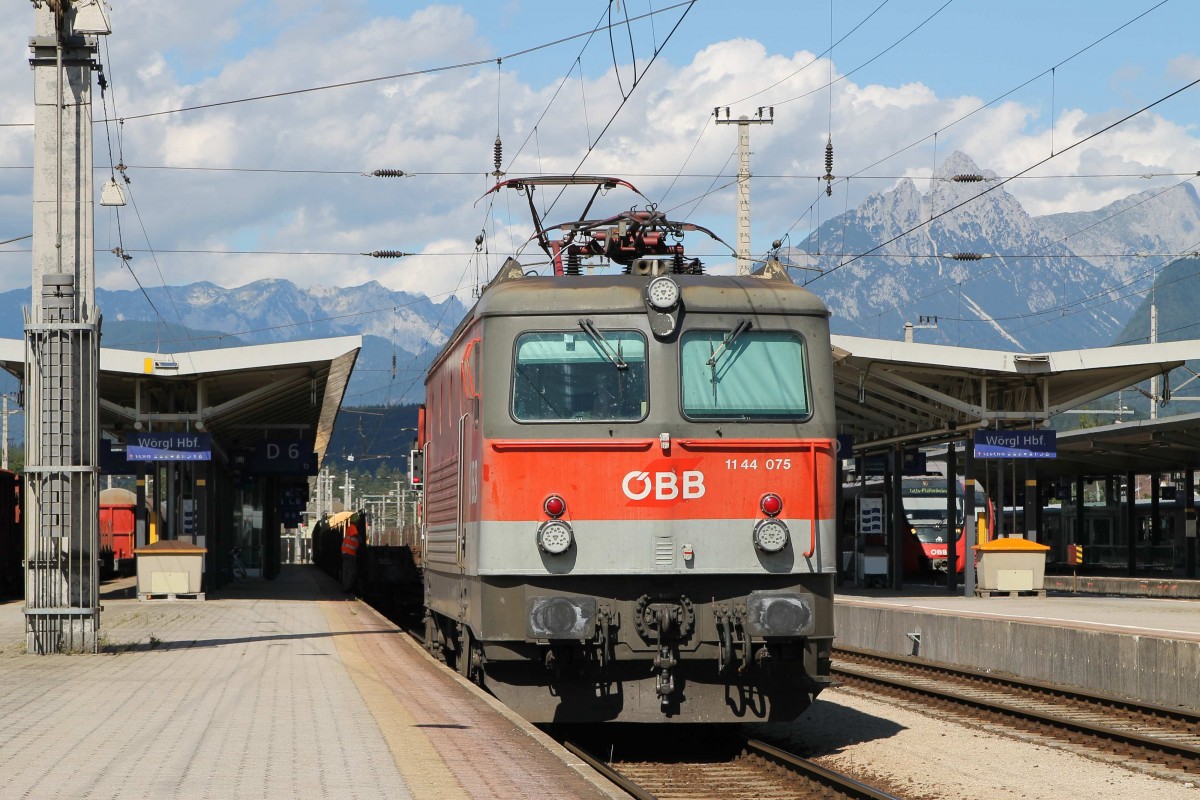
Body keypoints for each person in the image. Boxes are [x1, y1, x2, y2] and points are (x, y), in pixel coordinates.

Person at [340, 512, 362, 594]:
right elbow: (356, 536)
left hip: (346, 552)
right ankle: (347, 588)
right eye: (358, 521)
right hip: (349, 553)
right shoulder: (352, 527)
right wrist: (361, 541)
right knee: (352, 571)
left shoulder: (350, 527)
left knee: (346, 571)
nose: (359, 523)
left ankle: (345, 586)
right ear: (356, 521)